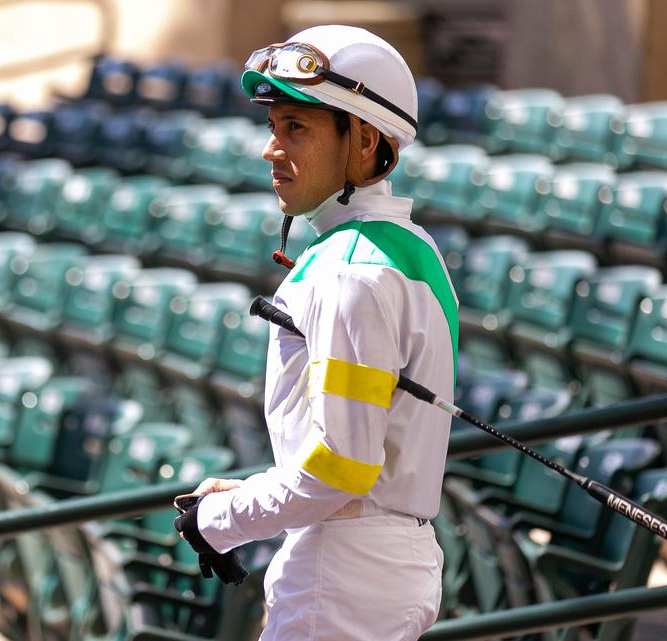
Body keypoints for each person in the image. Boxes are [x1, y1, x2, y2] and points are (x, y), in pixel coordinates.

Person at [173, 25, 458, 641]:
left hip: (343, 575)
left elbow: (342, 467)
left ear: (363, 141)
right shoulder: (412, 247)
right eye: (273, 127)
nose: (271, 149)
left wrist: (221, 519)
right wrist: (257, 491)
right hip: (374, 565)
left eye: (295, 127)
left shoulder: (350, 272)